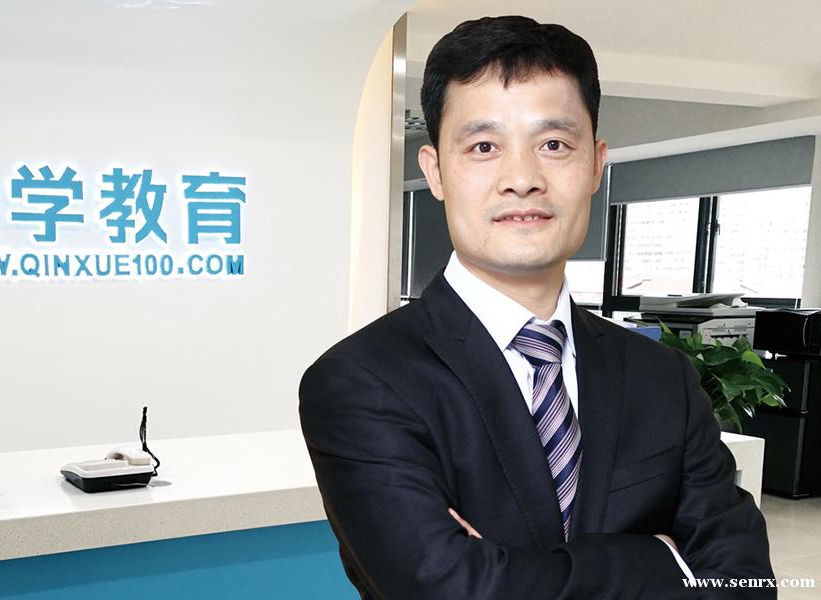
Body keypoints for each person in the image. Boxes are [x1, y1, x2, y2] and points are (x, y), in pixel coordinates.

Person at [298, 15, 774, 599]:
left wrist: (502, 568)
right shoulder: (361, 381)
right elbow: (448, 591)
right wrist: (665, 560)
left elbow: (747, 581)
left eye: (553, 145)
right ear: (436, 172)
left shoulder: (661, 377)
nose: (521, 178)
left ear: (595, 164)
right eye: (484, 146)